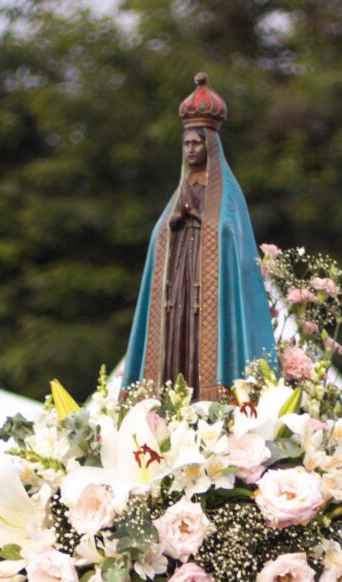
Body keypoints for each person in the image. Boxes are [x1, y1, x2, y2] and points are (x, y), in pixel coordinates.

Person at [121, 73, 276, 401]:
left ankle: (210, 398)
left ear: (210, 144)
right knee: (178, 335)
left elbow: (231, 234)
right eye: (187, 144)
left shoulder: (228, 193)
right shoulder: (181, 189)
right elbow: (159, 235)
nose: (191, 149)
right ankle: (168, 399)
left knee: (202, 337)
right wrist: (177, 220)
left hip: (210, 282)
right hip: (179, 278)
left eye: (197, 142)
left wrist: (199, 218)